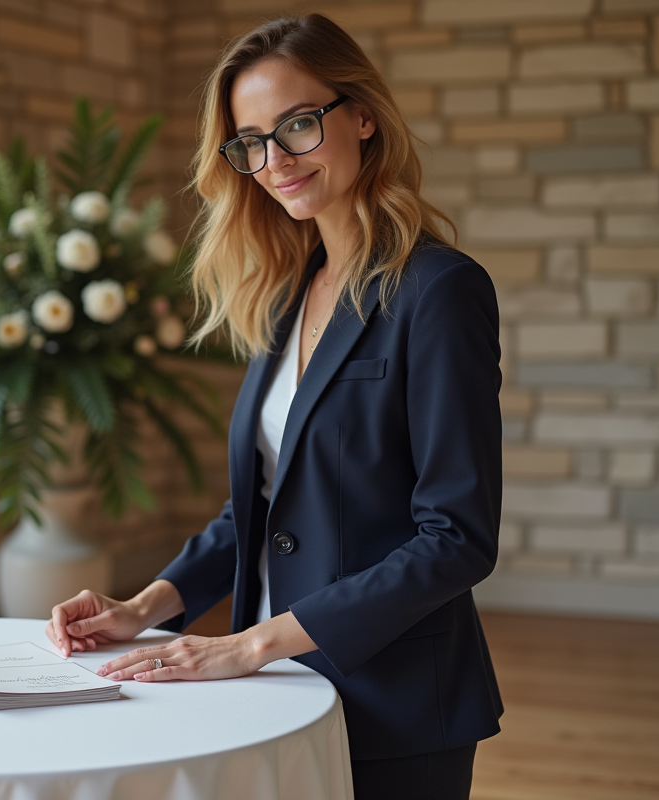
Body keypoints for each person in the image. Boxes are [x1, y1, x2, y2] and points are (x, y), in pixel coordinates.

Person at [44, 13, 503, 800]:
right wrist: (148, 606)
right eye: (251, 141)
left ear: (362, 116)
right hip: (268, 688)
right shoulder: (291, 290)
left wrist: (251, 646)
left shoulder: (440, 290)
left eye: (297, 124)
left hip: (387, 701)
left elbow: (456, 538)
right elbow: (263, 503)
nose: (274, 161)